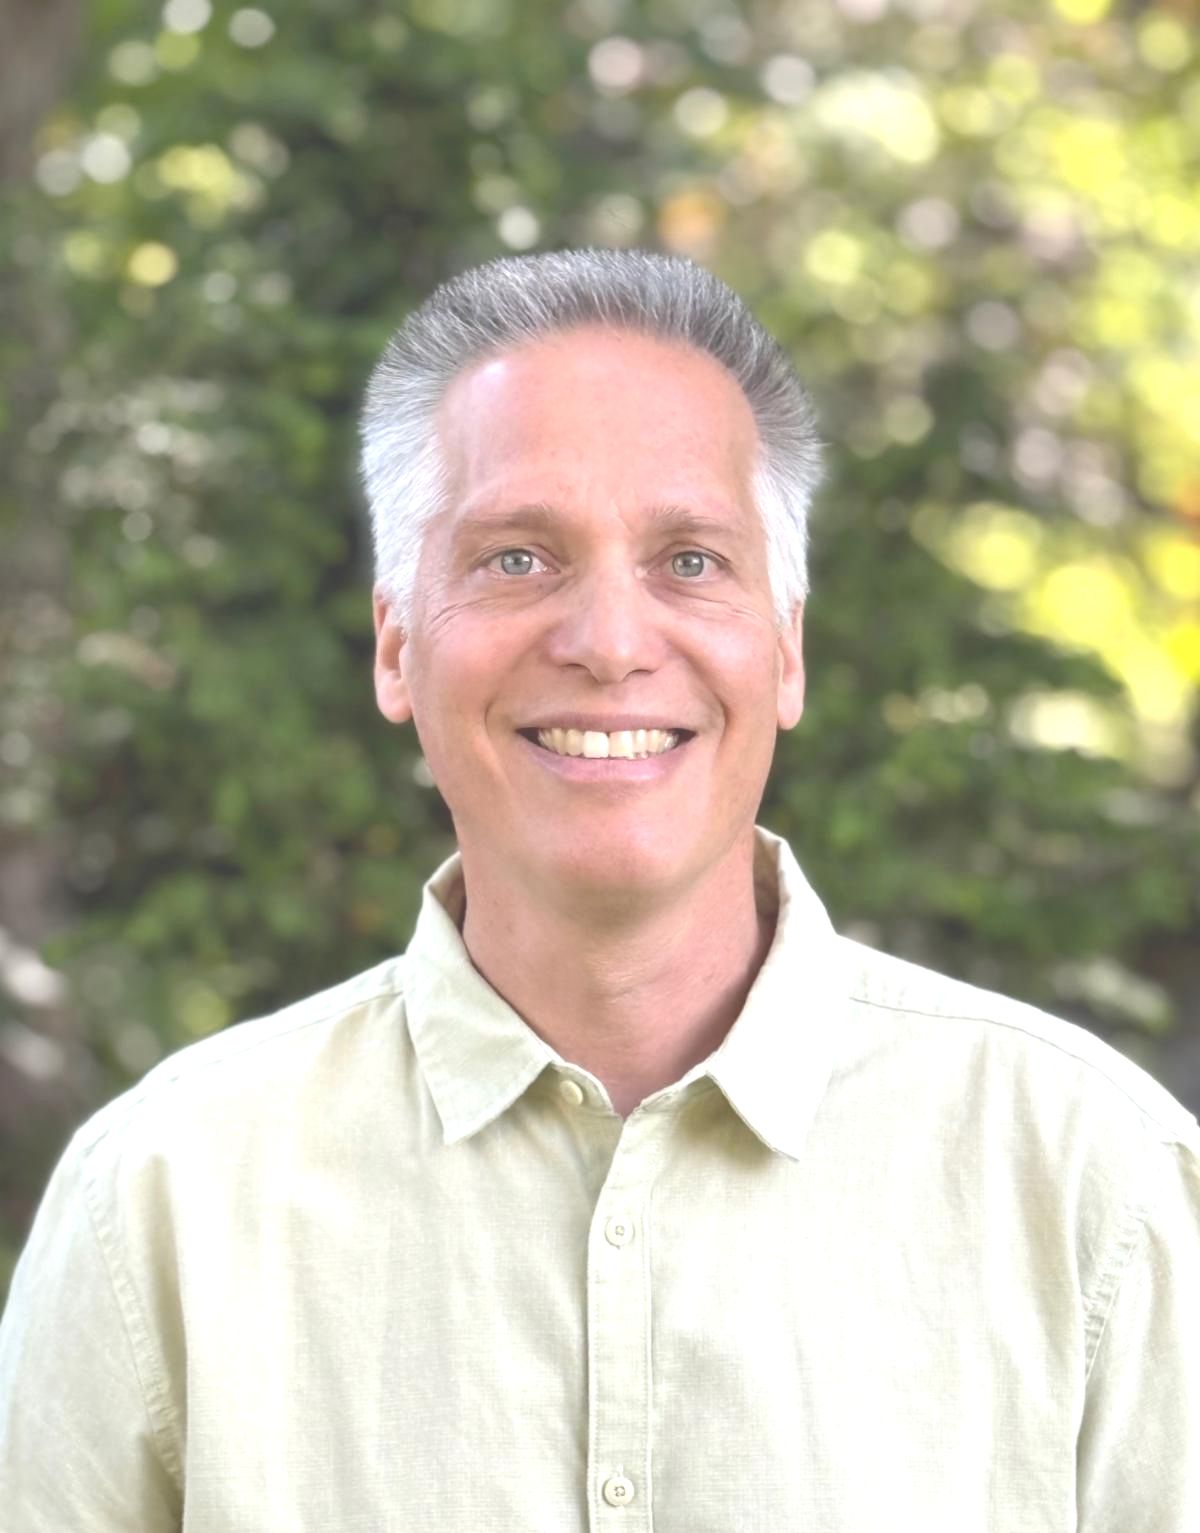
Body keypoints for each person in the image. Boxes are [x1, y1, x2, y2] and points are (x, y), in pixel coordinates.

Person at [0, 248, 1196, 1531]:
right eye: (518, 559)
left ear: (784, 647)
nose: (613, 643)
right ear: (399, 644)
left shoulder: (1094, 1182)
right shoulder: (164, 1198)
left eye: (690, 560)